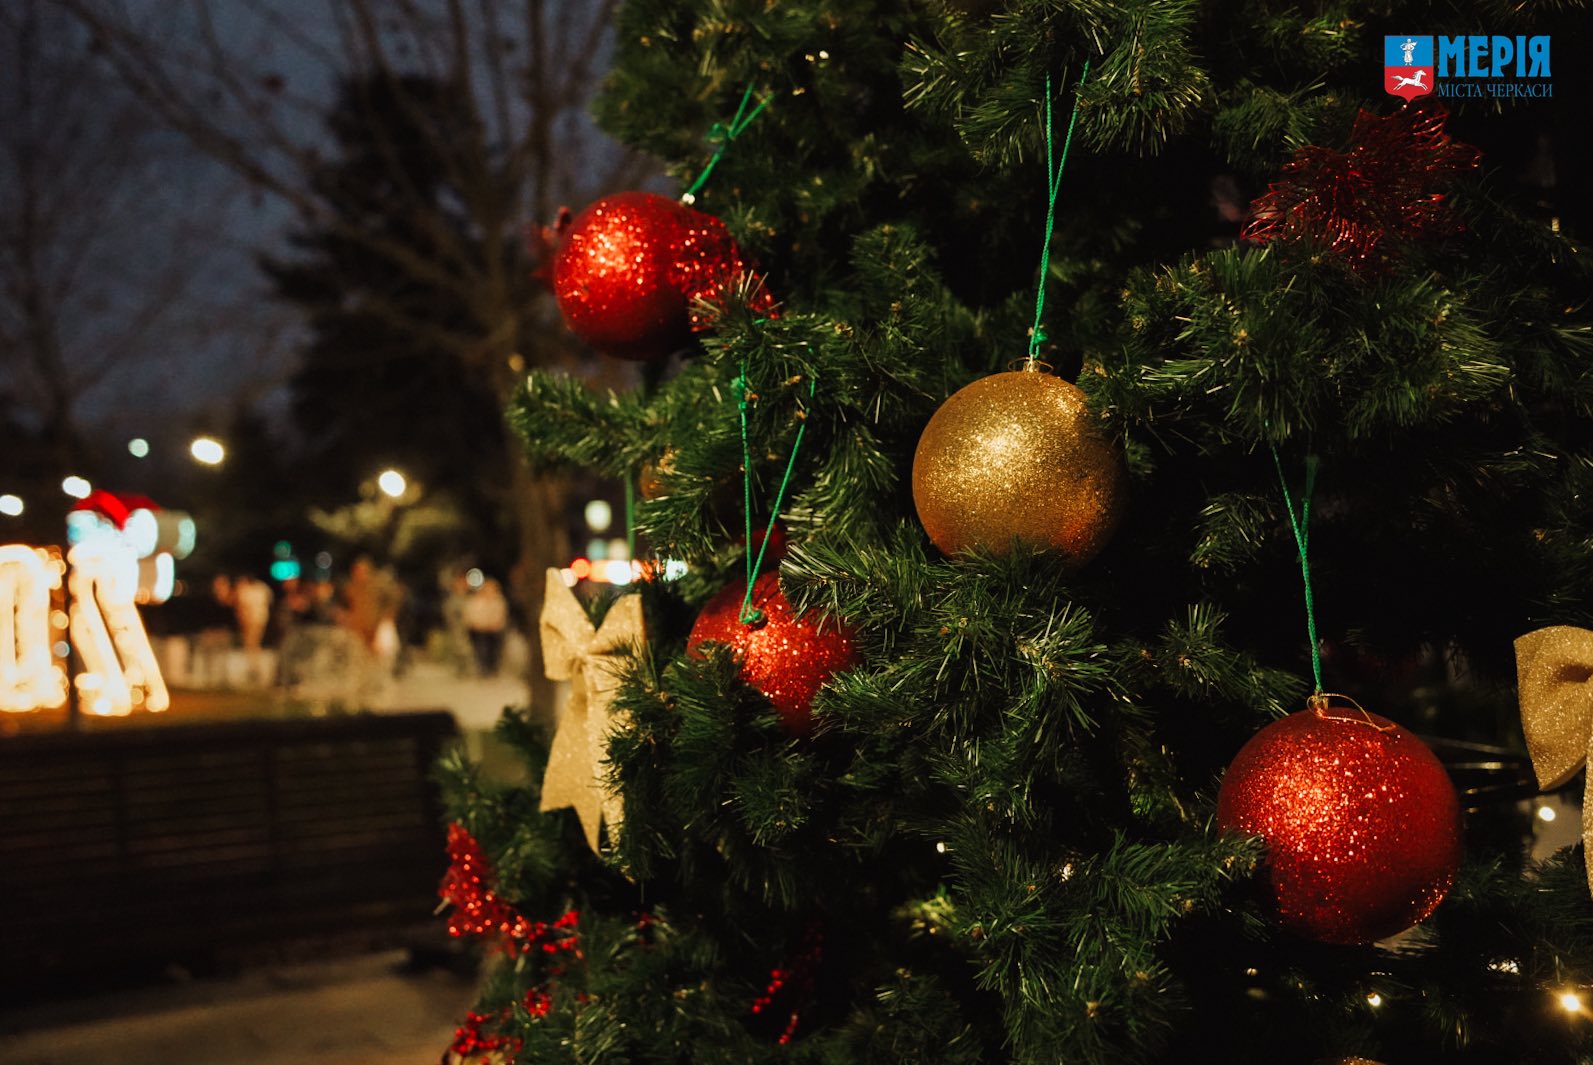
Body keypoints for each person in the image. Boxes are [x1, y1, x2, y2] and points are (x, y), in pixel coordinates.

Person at [462, 577, 509, 677]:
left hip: (494, 630)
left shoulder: (498, 601)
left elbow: (501, 615)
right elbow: (470, 615)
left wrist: (494, 624)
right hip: (479, 630)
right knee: (481, 650)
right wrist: (478, 625)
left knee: (494, 651)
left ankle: (492, 669)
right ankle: (482, 669)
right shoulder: (475, 601)